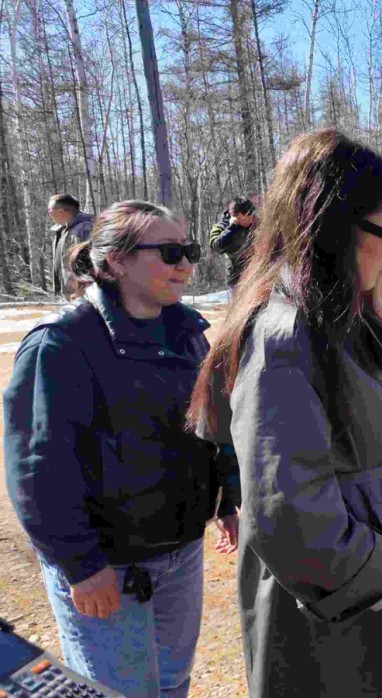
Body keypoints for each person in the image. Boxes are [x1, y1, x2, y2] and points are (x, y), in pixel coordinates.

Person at [187, 128, 382, 697]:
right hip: (339, 610)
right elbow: (288, 510)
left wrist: (376, 319)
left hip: (374, 595)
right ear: (337, 227)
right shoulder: (287, 334)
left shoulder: (335, 317)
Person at [4, 200, 238, 698]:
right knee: (120, 692)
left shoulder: (188, 334)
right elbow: (37, 469)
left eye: (190, 251)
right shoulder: (60, 345)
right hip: (109, 563)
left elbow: (210, 425)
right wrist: (82, 566)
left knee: (173, 683)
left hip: (179, 550)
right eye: (171, 252)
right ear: (113, 262)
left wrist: (227, 497)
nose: (187, 265)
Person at [47, 193, 94, 299]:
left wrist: (84, 291)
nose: (48, 214)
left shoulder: (86, 228)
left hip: (85, 294)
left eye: (49, 210)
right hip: (71, 294)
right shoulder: (62, 230)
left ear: (61, 211)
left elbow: (94, 263)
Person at [207, 196, 256, 289]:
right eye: (247, 217)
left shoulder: (256, 221)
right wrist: (232, 227)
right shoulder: (222, 226)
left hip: (257, 274)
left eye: (252, 215)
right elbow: (215, 246)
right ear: (234, 216)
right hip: (236, 276)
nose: (251, 219)